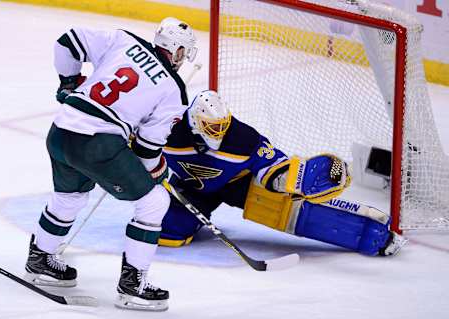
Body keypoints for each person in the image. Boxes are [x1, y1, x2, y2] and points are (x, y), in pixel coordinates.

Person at [24, 17, 197, 311]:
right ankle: (133, 286)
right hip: (97, 144)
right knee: (154, 201)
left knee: (70, 197)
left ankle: (40, 259)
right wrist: (156, 171)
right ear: (179, 51)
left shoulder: (123, 39)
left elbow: (68, 40)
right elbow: (146, 150)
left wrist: (69, 81)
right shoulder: (173, 89)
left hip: (62, 129)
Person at [159, 90, 406, 257]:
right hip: (190, 186)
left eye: (223, 125)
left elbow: (276, 168)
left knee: (287, 209)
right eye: (213, 127)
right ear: (195, 122)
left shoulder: (241, 138)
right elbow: (137, 148)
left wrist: (301, 179)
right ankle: (193, 217)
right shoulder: (167, 129)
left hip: (237, 183)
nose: (220, 132)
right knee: (168, 233)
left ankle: (375, 235)